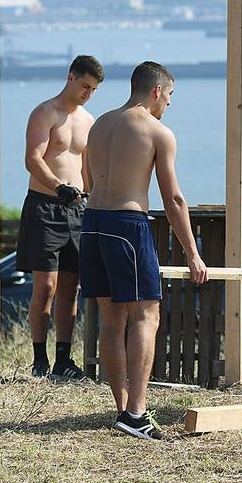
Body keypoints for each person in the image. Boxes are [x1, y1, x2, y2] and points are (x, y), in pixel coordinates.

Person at [81, 61, 207, 440]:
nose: (168, 104)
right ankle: (136, 413)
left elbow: (88, 180)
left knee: (111, 317)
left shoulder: (99, 124)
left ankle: (123, 410)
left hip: (92, 223)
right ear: (156, 91)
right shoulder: (157, 132)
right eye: (169, 96)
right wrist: (191, 252)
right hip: (126, 225)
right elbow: (174, 198)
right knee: (146, 315)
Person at [17, 54, 104, 380]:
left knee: (72, 287)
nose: (88, 93)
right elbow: (33, 159)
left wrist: (94, 195)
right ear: (70, 78)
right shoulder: (45, 112)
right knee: (47, 286)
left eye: (93, 89)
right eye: (85, 86)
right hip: (45, 205)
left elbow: (87, 167)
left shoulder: (88, 120)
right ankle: (39, 359)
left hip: (77, 209)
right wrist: (57, 186)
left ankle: (63, 361)